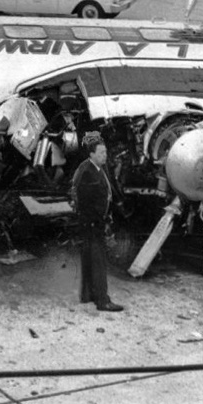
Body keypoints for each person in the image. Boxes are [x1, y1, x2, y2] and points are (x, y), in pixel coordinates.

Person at [70, 133, 123, 312]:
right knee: (98, 262)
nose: (105, 155)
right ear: (91, 154)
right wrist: (101, 221)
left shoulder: (95, 168)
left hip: (92, 224)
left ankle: (89, 295)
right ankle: (102, 301)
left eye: (105, 152)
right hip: (92, 225)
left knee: (90, 260)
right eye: (101, 153)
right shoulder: (88, 171)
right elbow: (86, 202)